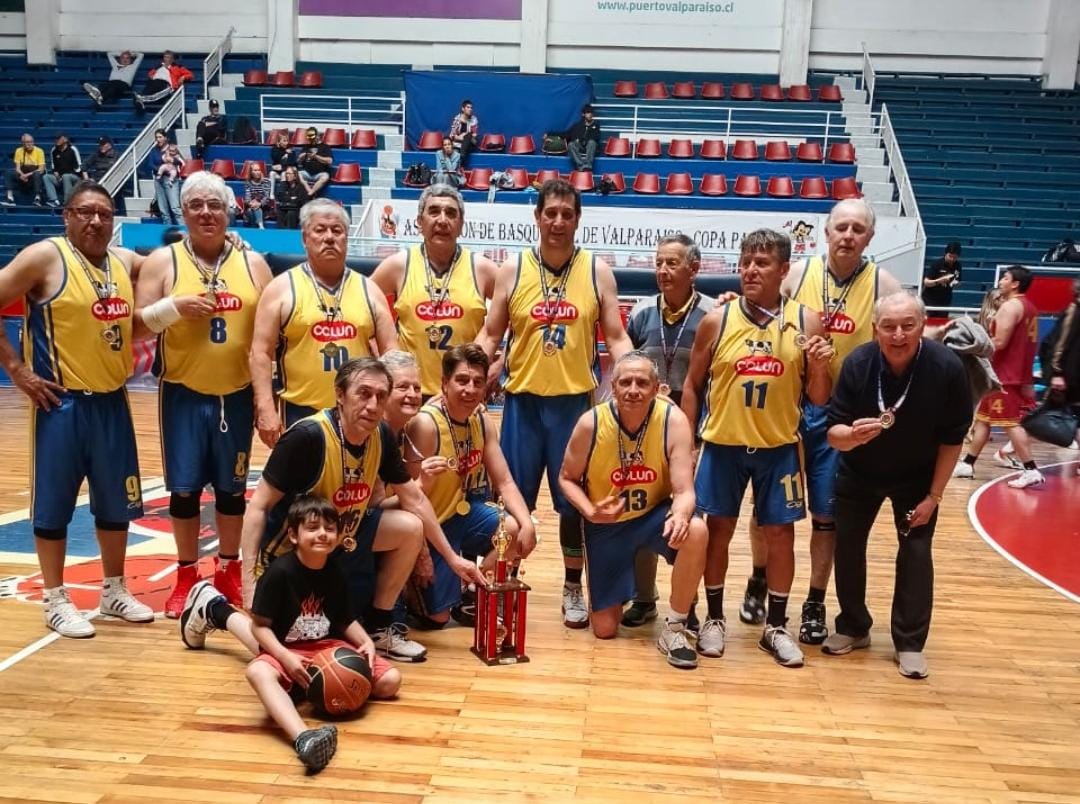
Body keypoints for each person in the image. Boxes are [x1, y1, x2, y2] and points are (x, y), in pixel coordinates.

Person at [239, 358, 487, 657]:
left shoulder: (381, 435)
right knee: (278, 647)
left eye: (381, 396)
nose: (373, 405)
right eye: (364, 394)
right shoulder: (306, 437)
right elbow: (258, 507)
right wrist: (249, 582)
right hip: (294, 554)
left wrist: (453, 559)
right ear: (340, 394)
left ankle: (379, 626)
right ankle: (216, 610)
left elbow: (415, 500)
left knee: (410, 527)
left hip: (344, 540)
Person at [738, 198, 902, 647]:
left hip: (843, 414)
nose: (848, 235)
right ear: (826, 233)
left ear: (869, 237)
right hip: (789, 407)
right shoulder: (797, 274)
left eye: (857, 229)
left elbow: (899, 342)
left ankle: (814, 600)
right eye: (841, 227)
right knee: (767, 507)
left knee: (827, 514)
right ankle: (758, 577)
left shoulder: (883, 283)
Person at [476, 179, 633, 629]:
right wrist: (466, 374)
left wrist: (633, 375)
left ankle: (571, 587)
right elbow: (491, 334)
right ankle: (505, 579)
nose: (558, 221)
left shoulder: (597, 271)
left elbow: (616, 337)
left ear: (578, 220)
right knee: (511, 502)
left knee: (573, 504)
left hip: (575, 407)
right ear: (537, 217)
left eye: (567, 214)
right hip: (522, 406)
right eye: (551, 213)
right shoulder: (513, 269)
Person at [0, 181, 153, 637]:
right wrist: (17, 370)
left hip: (113, 401)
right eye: (85, 212)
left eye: (104, 213)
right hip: (60, 403)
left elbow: (171, 264)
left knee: (116, 504)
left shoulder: (123, 262)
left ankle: (113, 590)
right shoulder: (44, 257)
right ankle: (54, 598)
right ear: (67, 216)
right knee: (53, 508)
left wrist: (230, 242)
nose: (95, 221)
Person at [682, 229, 833, 667]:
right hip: (723, 445)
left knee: (781, 535)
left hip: (779, 447)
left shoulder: (807, 321)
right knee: (717, 531)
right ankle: (714, 619)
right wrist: (688, 443)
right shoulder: (717, 320)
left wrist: (819, 366)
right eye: (745, 261)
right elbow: (692, 384)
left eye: (762, 263)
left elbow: (820, 398)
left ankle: (777, 627)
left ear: (783, 270)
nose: (750, 270)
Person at [133, 170, 274, 617]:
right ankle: (186, 576)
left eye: (215, 205)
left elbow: (272, 333)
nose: (206, 213)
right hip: (184, 394)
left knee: (232, 491)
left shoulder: (252, 263)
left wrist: (265, 398)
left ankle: (229, 570)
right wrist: (171, 308)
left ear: (229, 211)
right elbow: (134, 327)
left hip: (236, 395)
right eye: (196, 205)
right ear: (183, 211)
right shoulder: (163, 262)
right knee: (185, 491)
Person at [183, 495, 400, 774]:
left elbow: (345, 619)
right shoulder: (279, 573)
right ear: (293, 535)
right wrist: (285, 657)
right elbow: (259, 627)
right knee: (257, 672)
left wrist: (365, 641)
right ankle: (304, 738)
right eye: (312, 527)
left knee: (390, 681)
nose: (322, 533)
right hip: (287, 648)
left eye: (330, 528)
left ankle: (309, 688)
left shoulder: (336, 571)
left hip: (328, 649)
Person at [824, 293, 972, 679]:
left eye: (908, 325)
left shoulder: (946, 367)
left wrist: (934, 496)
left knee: (916, 553)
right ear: (875, 329)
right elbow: (833, 433)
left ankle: (909, 643)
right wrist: (851, 436)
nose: (898, 334)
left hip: (917, 478)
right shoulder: (858, 363)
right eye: (888, 326)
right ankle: (853, 626)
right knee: (848, 547)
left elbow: (953, 440)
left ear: (923, 326)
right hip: (859, 472)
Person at [558, 351, 706, 667]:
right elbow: (566, 478)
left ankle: (675, 626)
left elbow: (684, 490)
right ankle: (628, 592)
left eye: (642, 383)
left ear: (656, 387)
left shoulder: (673, 419)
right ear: (613, 387)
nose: (633, 390)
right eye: (625, 382)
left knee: (696, 529)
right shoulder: (591, 422)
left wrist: (681, 514)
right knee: (604, 629)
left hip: (653, 515)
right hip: (607, 525)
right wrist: (590, 511)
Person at [404, 345, 537, 627]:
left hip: (462, 515)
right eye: (462, 380)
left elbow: (504, 481)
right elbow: (410, 500)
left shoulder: (481, 418)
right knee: (437, 619)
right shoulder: (425, 425)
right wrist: (420, 554)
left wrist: (527, 523)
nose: (470, 389)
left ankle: (474, 589)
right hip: (429, 526)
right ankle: (408, 585)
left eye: (478, 382)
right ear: (444, 383)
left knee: (513, 529)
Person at [620, 233, 714, 628]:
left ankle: (686, 605)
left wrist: (694, 440)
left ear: (694, 269)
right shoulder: (642, 312)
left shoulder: (713, 314)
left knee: (690, 519)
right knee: (642, 508)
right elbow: (626, 371)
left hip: (695, 433)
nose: (662, 270)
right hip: (645, 432)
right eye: (658, 262)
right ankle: (644, 598)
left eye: (672, 263)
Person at [251, 199, 398, 448]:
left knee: (359, 475)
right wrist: (265, 407)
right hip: (299, 411)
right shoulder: (281, 288)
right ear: (304, 238)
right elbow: (260, 352)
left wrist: (387, 405)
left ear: (346, 238)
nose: (329, 237)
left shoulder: (369, 290)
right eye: (320, 230)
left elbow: (391, 353)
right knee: (301, 475)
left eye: (337, 230)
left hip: (359, 412)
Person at [370, 184, 497, 399]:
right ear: (420, 222)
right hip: (409, 395)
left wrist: (501, 363)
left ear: (461, 225)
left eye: (451, 213)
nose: (442, 220)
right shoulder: (398, 266)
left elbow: (519, 314)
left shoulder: (482, 268)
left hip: (463, 394)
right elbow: (359, 308)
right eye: (434, 211)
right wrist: (382, 356)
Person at [954, 265, 1045, 488]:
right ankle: (968, 463)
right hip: (1015, 373)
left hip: (1004, 374)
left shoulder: (1010, 306)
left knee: (1010, 423)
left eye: (1005, 278)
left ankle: (1031, 469)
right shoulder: (1030, 307)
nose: (1001, 281)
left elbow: (999, 343)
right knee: (983, 420)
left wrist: (972, 347)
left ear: (1015, 284)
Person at [148, 130, 183, 225]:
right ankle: (168, 230)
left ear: (165, 138)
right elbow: (150, 164)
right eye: (156, 137)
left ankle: (184, 230)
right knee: (163, 211)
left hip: (170, 179)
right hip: (159, 180)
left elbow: (180, 161)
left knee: (175, 208)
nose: (158, 139)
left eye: (160, 137)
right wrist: (161, 168)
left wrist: (172, 162)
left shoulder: (172, 148)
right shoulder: (154, 150)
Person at [2, 133, 46, 207]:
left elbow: (41, 169)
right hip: (22, 174)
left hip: (33, 175)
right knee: (8, 173)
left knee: (37, 173)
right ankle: (10, 198)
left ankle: (38, 198)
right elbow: (17, 168)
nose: (29, 144)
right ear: (23, 143)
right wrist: (22, 175)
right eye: (27, 142)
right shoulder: (18, 151)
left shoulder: (39, 151)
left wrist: (27, 175)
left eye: (31, 142)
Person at [44, 134, 83, 208]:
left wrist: (69, 174)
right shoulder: (54, 150)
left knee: (66, 176)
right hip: (60, 178)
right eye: (56, 138)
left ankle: (67, 202)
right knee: (46, 177)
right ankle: (54, 200)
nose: (56, 140)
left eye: (59, 138)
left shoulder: (72, 149)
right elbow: (53, 165)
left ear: (65, 139)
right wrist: (55, 172)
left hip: (74, 177)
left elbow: (79, 167)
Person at [922, 242, 962, 312]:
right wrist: (939, 281)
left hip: (945, 300)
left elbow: (958, 281)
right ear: (945, 253)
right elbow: (926, 282)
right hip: (930, 299)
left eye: (955, 257)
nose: (952, 259)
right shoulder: (937, 264)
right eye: (950, 256)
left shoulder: (958, 266)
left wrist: (954, 282)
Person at [297, 127, 333, 198]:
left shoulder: (325, 147)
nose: (311, 140)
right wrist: (302, 156)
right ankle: (308, 189)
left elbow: (329, 161)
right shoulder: (306, 147)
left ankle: (311, 193)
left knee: (325, 176)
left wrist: (316, 156)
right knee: (296, 173)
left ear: (317, 136)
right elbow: (298, 161)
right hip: (307, 173)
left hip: (319, 174)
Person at [566, 105, 601, 172]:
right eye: (588, 113)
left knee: (592, 142)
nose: (590, 115)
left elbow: (596, 138)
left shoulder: (596, 125)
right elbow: (566, 134)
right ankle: (581, 166)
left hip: (591, 147)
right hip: (581, 146)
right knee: (571, 144)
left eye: (591, 113)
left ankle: (588, 166)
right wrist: (550, 134)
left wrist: (582, 139)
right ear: (583, 114)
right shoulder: (578, 125)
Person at [274, 165, 307, 230]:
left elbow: (301, 202)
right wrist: (292, 199)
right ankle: (281, 232)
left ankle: (290, 232)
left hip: (296, 212)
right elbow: (281, 198)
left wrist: (289, 199)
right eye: (286, 173)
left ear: (295, 176)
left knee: (291, 213)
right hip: (284, 209)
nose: (287, 175)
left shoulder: (301, 187)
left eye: (289, 174)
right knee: (280, 211)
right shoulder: (283, 185)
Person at [448, 100, 478, 167]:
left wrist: (464, 135)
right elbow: (452, 135)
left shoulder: (474, 119)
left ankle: (462, 155)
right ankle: (460, 159)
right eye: (468, 107)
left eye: (471, 108)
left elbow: (474, 135)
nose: (470, 109)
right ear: (463, 109)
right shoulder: (457, 119)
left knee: (468, 136)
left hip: (470, 143)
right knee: (455, 156)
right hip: (458, 144)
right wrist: (461, 137)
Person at [243, 163, 272, 229]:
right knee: (250, 211)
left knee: (253, 210)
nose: (258, 172)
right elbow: (247, 197)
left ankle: (256, 228)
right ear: (251, 172)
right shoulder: (248, 182)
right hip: (251, 206)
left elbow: (267, 197)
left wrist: (259, 204)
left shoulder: (266, 181)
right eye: (255, 170)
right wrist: (251, 203)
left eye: (259, 170)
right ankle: (260, 226)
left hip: (264, 207)